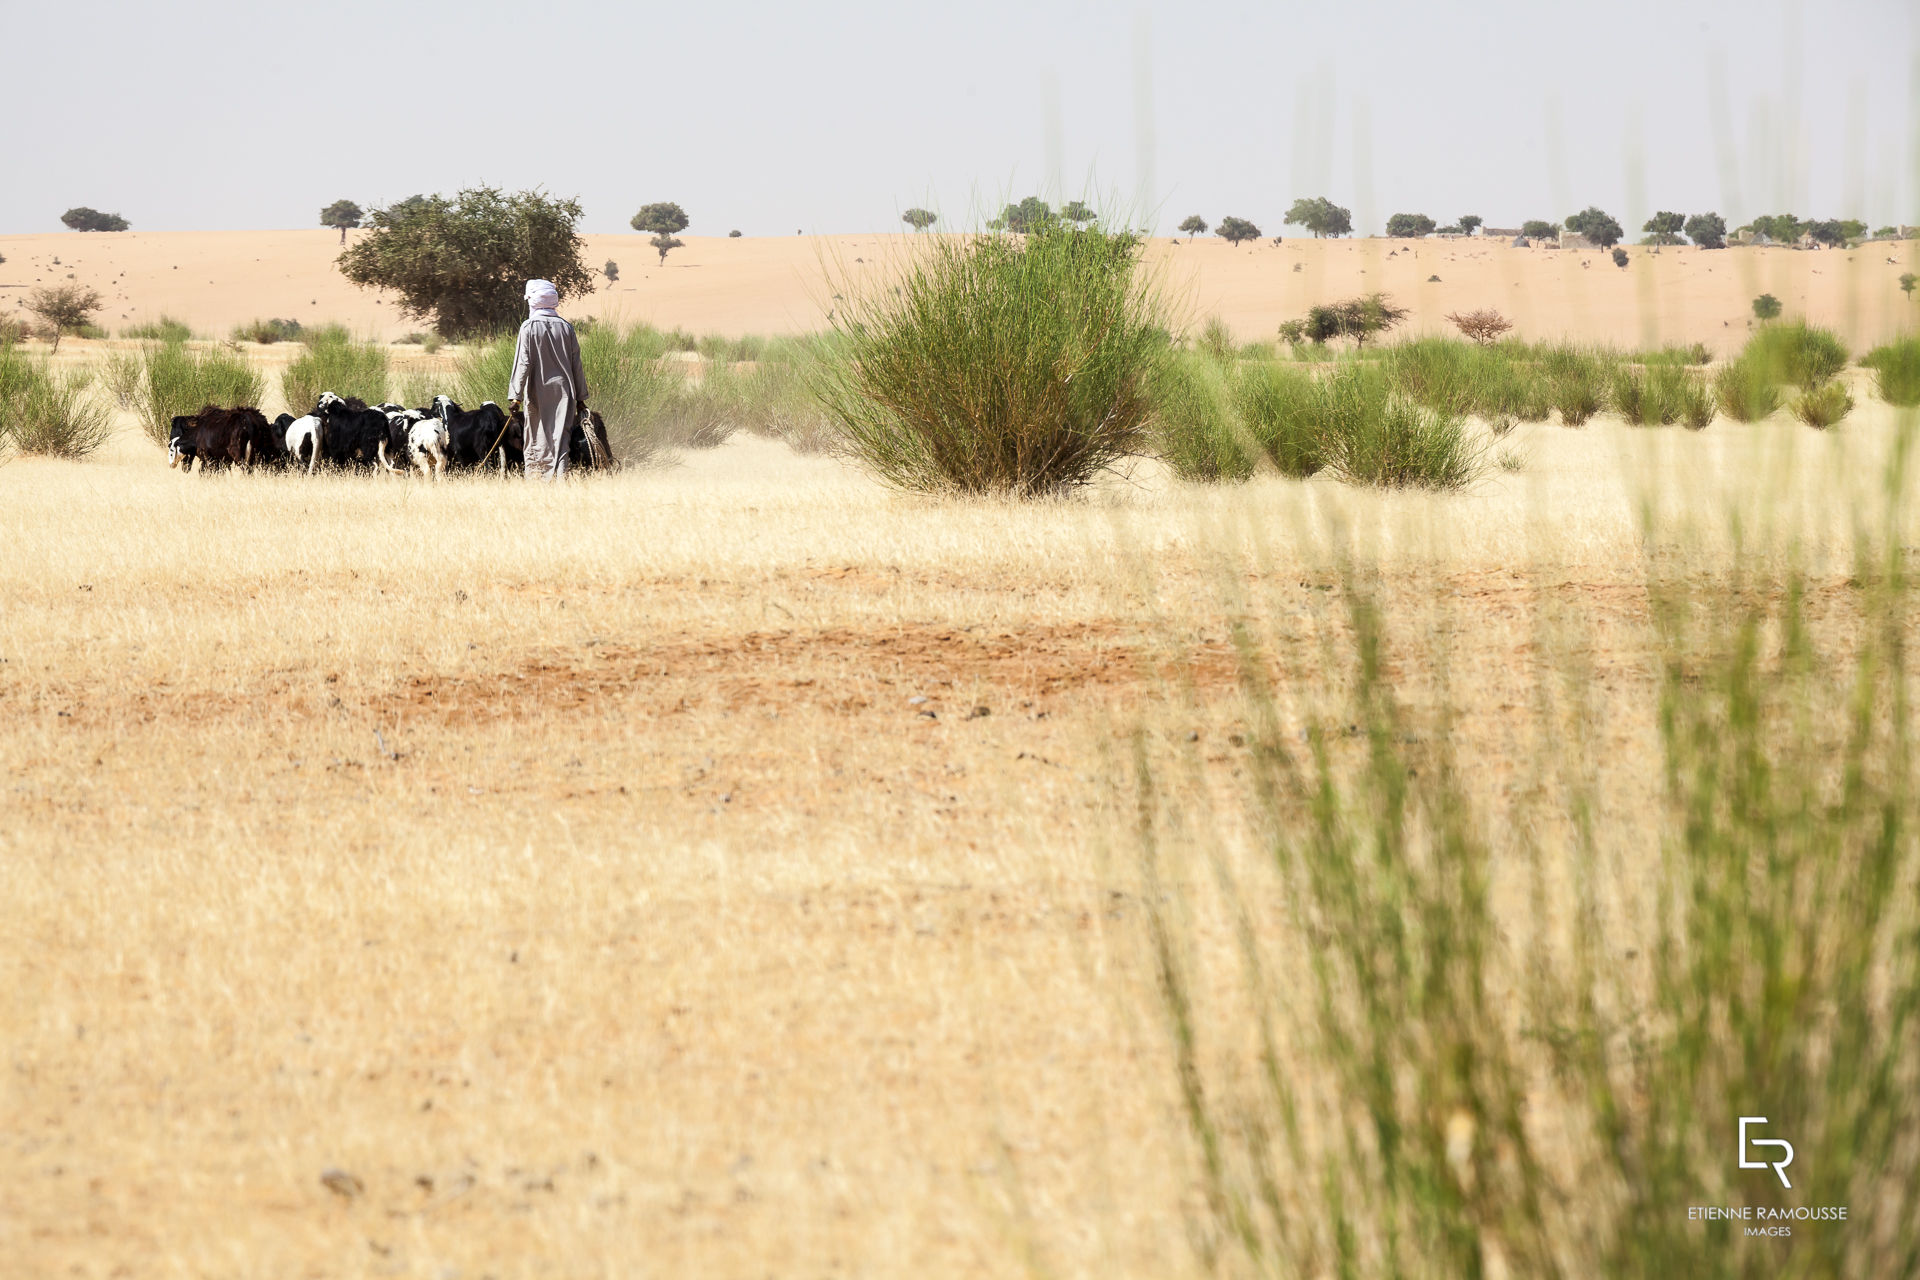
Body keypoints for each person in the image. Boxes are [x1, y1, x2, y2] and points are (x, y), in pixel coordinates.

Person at [507, 279, 589, 481]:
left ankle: (538, 479)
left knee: (536, 436)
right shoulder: (566, 328)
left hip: (537, 391)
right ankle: (560, 480)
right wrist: (580, 398)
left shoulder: (528, 327)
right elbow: (576, 365)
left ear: (533, 302)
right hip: (564, 392)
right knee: (561, 438)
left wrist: (515, 396)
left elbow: (522, 364)